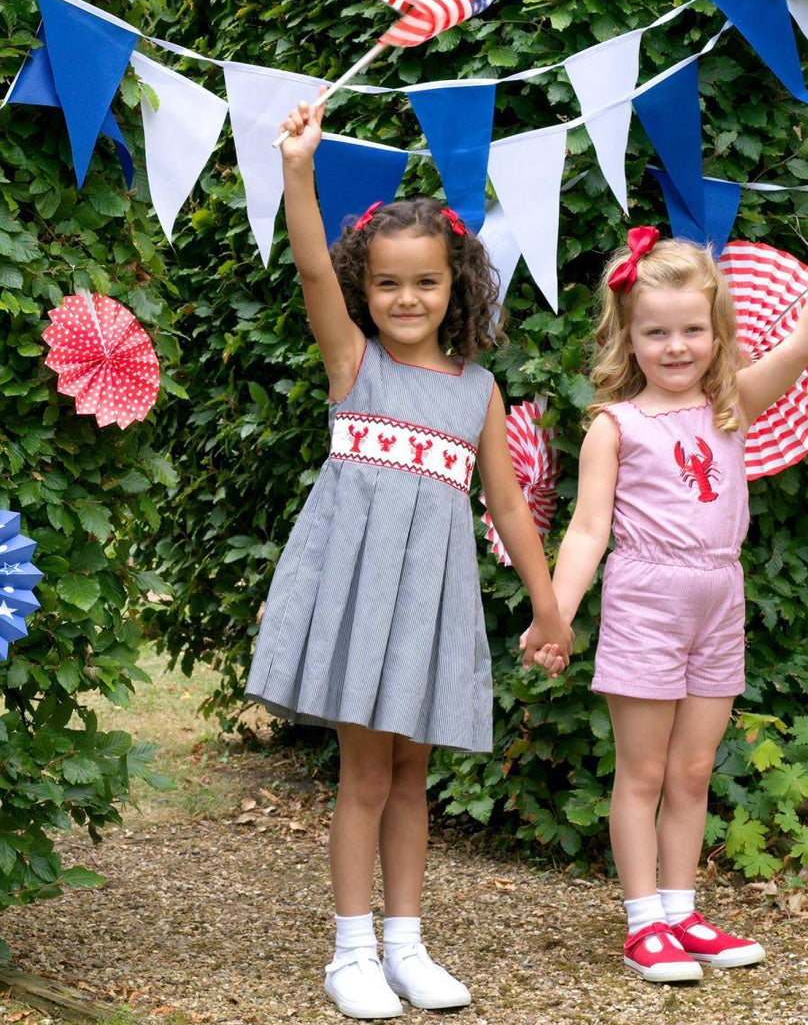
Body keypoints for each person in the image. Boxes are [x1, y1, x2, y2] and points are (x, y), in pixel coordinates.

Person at [245, 94, 573, 1020]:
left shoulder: (478, 390)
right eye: (387, 282)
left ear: (455, 286)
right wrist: (299, 170)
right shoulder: (355, 366)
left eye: (425, 282)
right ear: (366, 288)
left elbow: (508, 505)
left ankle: (405, 945)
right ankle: (350, 953)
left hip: (429, 602)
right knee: (363, 774)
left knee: (411, 776)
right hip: (361, 596)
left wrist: (549, 606)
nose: (405, 298)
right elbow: (311, 264)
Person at [528, 220, 808, 982]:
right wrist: (556, 615)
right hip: (646, 603)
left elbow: (801, 344)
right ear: (627, 338)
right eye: (656, 332)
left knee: (691, 772)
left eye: (692, 329)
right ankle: (642, 922)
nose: (676, 346)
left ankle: (681, 911)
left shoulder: (732, 405)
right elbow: (587, 531)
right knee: (642, 773)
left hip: (719, 599)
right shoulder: (614, 427)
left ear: (718, 333)